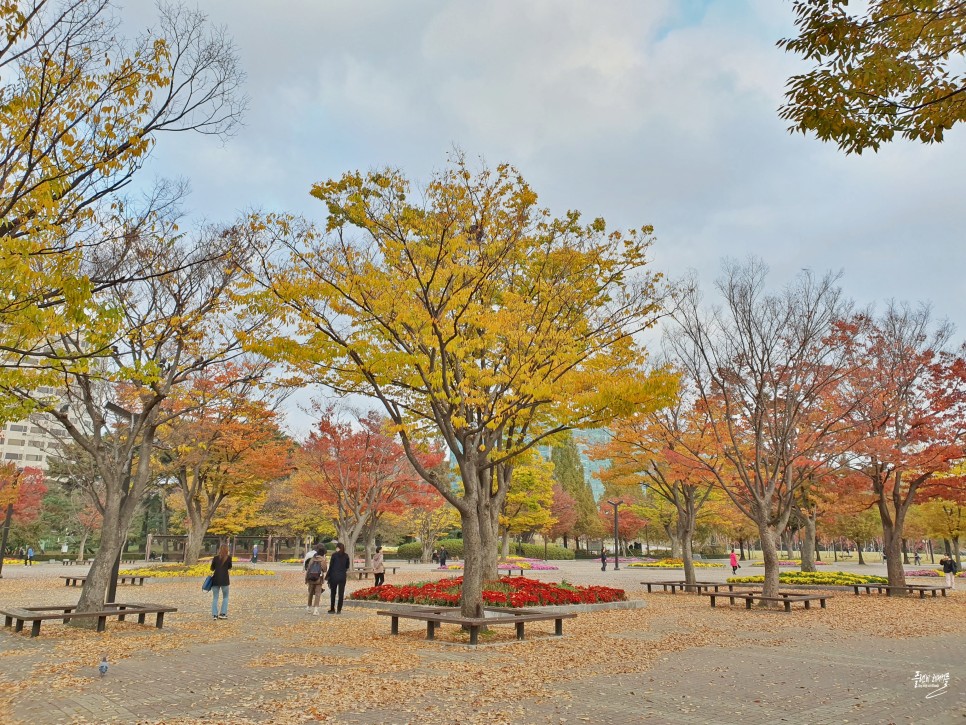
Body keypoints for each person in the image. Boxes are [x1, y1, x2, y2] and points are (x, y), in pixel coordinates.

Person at [210, 543, 232, 620]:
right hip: (225, 580)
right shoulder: (228, 558)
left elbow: (212, 568)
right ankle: (223, 613)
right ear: (227, 550)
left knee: (215, 597)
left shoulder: (215, 558)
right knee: (225, 597)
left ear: (219, 550)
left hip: (215, 580)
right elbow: (230, 567)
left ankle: (215, 615)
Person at [326, 543, 350, 614]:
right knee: (341, 593)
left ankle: (332, 608)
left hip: (334, 576)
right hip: (342, 576)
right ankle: (339, 609)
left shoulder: (334, 555)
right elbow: (347, 566)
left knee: (333, 593)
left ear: (338, 548)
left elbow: (331, 566)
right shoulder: (346, 556)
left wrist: (328, 575)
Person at [304, 545, 328, 615]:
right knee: (317, 594)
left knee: (310, 593)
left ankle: (308, 607)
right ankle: (315, 609)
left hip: (311, 578)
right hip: (318, 579)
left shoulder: (312, 559)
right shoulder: (322, 560)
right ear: (323, 553)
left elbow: (308, 569)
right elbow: (324, 569)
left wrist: (306, 579)